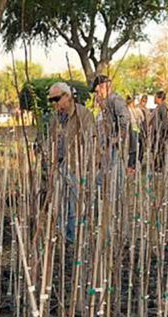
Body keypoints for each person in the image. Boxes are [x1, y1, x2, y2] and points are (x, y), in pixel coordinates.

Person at [47, 81, 96, 243]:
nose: (54, 104)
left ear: (67, 96)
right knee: (60, 204)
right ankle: (64, 238)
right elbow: (52, 140)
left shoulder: (83, 114)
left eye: (56, 99)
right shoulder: (55, 118)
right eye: (51, 101)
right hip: (59, 166)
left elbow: (91, 141)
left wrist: (84, 165)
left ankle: (77, 239)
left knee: (75, 205)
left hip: (76, 166)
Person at [92, 74, 136, 173]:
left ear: (104, 87)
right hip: (108, 147)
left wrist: (117, 138)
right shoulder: (106, 102)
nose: (96, 95)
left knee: (115, 174)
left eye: (97, 91)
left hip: (117, 148)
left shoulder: (116, 100)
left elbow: (125, 120)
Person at [150, 90, 168, 165]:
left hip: (160, 132)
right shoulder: (158, 107)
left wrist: (163, 133)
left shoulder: (162, 108)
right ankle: (156, 164)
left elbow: (164, 121)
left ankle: (159, 164)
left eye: (155, 97)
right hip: (156, 132)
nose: (154, 99)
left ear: (159, 98)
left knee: (159, 149)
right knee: (155, 148)